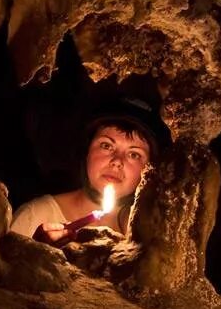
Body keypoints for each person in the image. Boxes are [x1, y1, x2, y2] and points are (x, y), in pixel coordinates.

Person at [9, 97, 171, 245]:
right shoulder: (36, 215)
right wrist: (36, 254)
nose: (117, 161)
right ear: (86, 152)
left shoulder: (152, 237)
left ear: (148, 170)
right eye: (106, 145)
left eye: (134, 154)